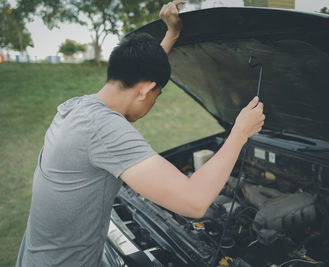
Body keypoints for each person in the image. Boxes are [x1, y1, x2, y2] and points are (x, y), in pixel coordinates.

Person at [16, 1, 265, 266]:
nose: (152, 105)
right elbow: (195, 202)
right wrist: (239, 133)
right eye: (155, 97)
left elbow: (141, 74)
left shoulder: (79, 108)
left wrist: (171, 35)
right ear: (145, 90)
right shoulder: (102, 130)